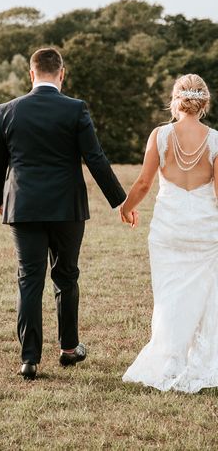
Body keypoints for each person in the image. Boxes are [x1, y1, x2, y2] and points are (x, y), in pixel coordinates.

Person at [0, 47, 130, 380]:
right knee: (66, 275)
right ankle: (68, 348)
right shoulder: (75, 109)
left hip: (23, 207)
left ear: (31, 74)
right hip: (67, 208)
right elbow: (96, 158)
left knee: (29, 280)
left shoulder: (7, 110)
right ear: (61, 74)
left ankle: (29, 359)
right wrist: (120, 201)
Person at [121, 73, 218, 392]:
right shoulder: (215, 140)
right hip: (206, 227)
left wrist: (126, 206)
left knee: (168, 294)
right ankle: (198, 359)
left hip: (169, 227)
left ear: (175, 99)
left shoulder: (160, 135)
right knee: (206, 295)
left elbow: (144, 183)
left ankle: (169, 357)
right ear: (204, 102)